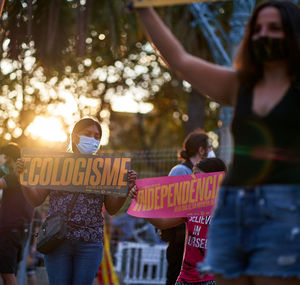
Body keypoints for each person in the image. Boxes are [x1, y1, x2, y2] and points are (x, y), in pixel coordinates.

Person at [134, 1, 300, 284]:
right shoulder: (240, 85)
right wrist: (142, 9)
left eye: (274, 28)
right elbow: (180, 61)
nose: (263, 34)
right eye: (257, 28)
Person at [17, 118, 137, 285]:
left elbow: (112, 209)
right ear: (74, 137)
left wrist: (125, 188)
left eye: (97, 136)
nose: (93, 139)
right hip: (57, 241)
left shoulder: (106, 169)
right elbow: (36, 200)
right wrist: (23, 179)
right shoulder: (55, 165)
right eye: (88, 134)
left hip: (90, 244)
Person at [134, 157, 227, 285]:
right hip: (185, 278)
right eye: (193, 176)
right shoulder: (192, 204)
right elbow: (162, 223)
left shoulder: (226, 207)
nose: (194, 180)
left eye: (198, 176)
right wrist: (140, 202)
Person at [159, 130, 211, 285]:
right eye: (209, 147)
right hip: (180, 239)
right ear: (201, 150)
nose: (211, 151)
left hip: (195, 240)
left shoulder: (201, 173)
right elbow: (170, 203)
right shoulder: (181, 171)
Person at [0, 143, 34, 285]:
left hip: (10, 230)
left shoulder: (15, 176)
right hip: (18, 230)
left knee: (7, 273)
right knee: (7, 272)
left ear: (7, 157)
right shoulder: (24, 176)